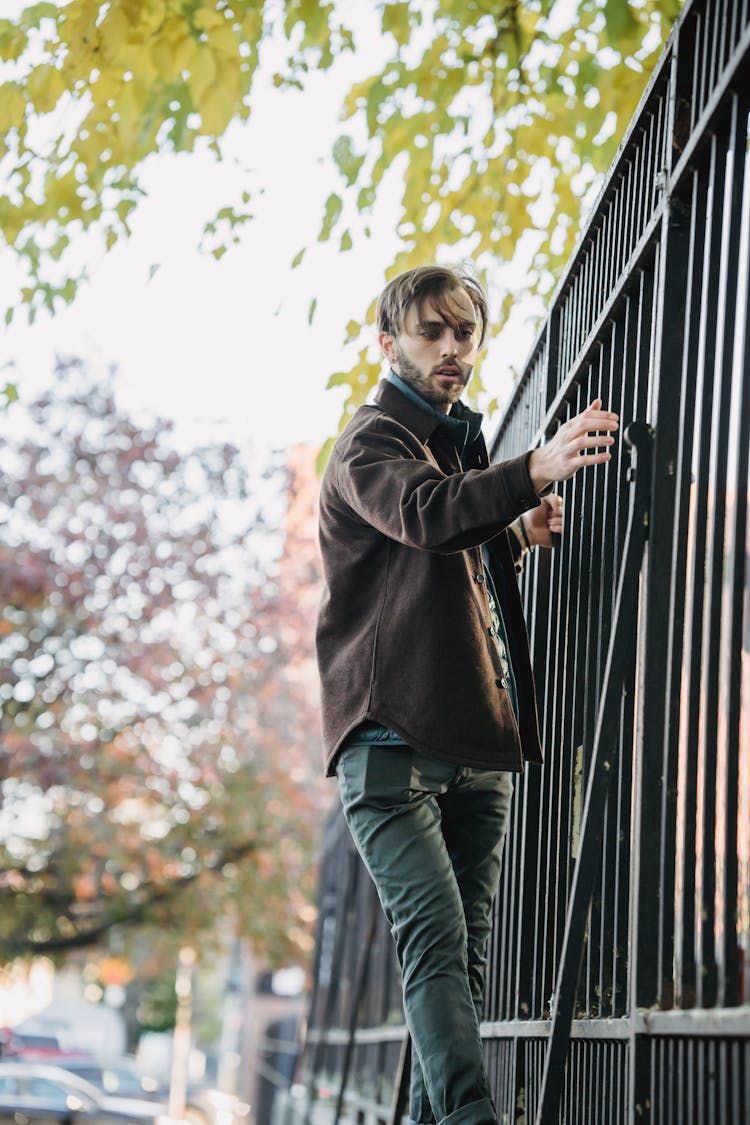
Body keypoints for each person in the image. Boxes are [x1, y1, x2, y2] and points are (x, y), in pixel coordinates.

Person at [315, 265, 619, 1125]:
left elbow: (449, 563)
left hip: (476, 740)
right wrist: (531, 471)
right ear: (389, 344)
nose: (452, 348)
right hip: (390, 743)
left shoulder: (458, 444)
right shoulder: (371, 442)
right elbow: (427, 516)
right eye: (431, 332)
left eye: (464, 333)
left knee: (458, 961)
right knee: (438, 947)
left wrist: (514, 535)